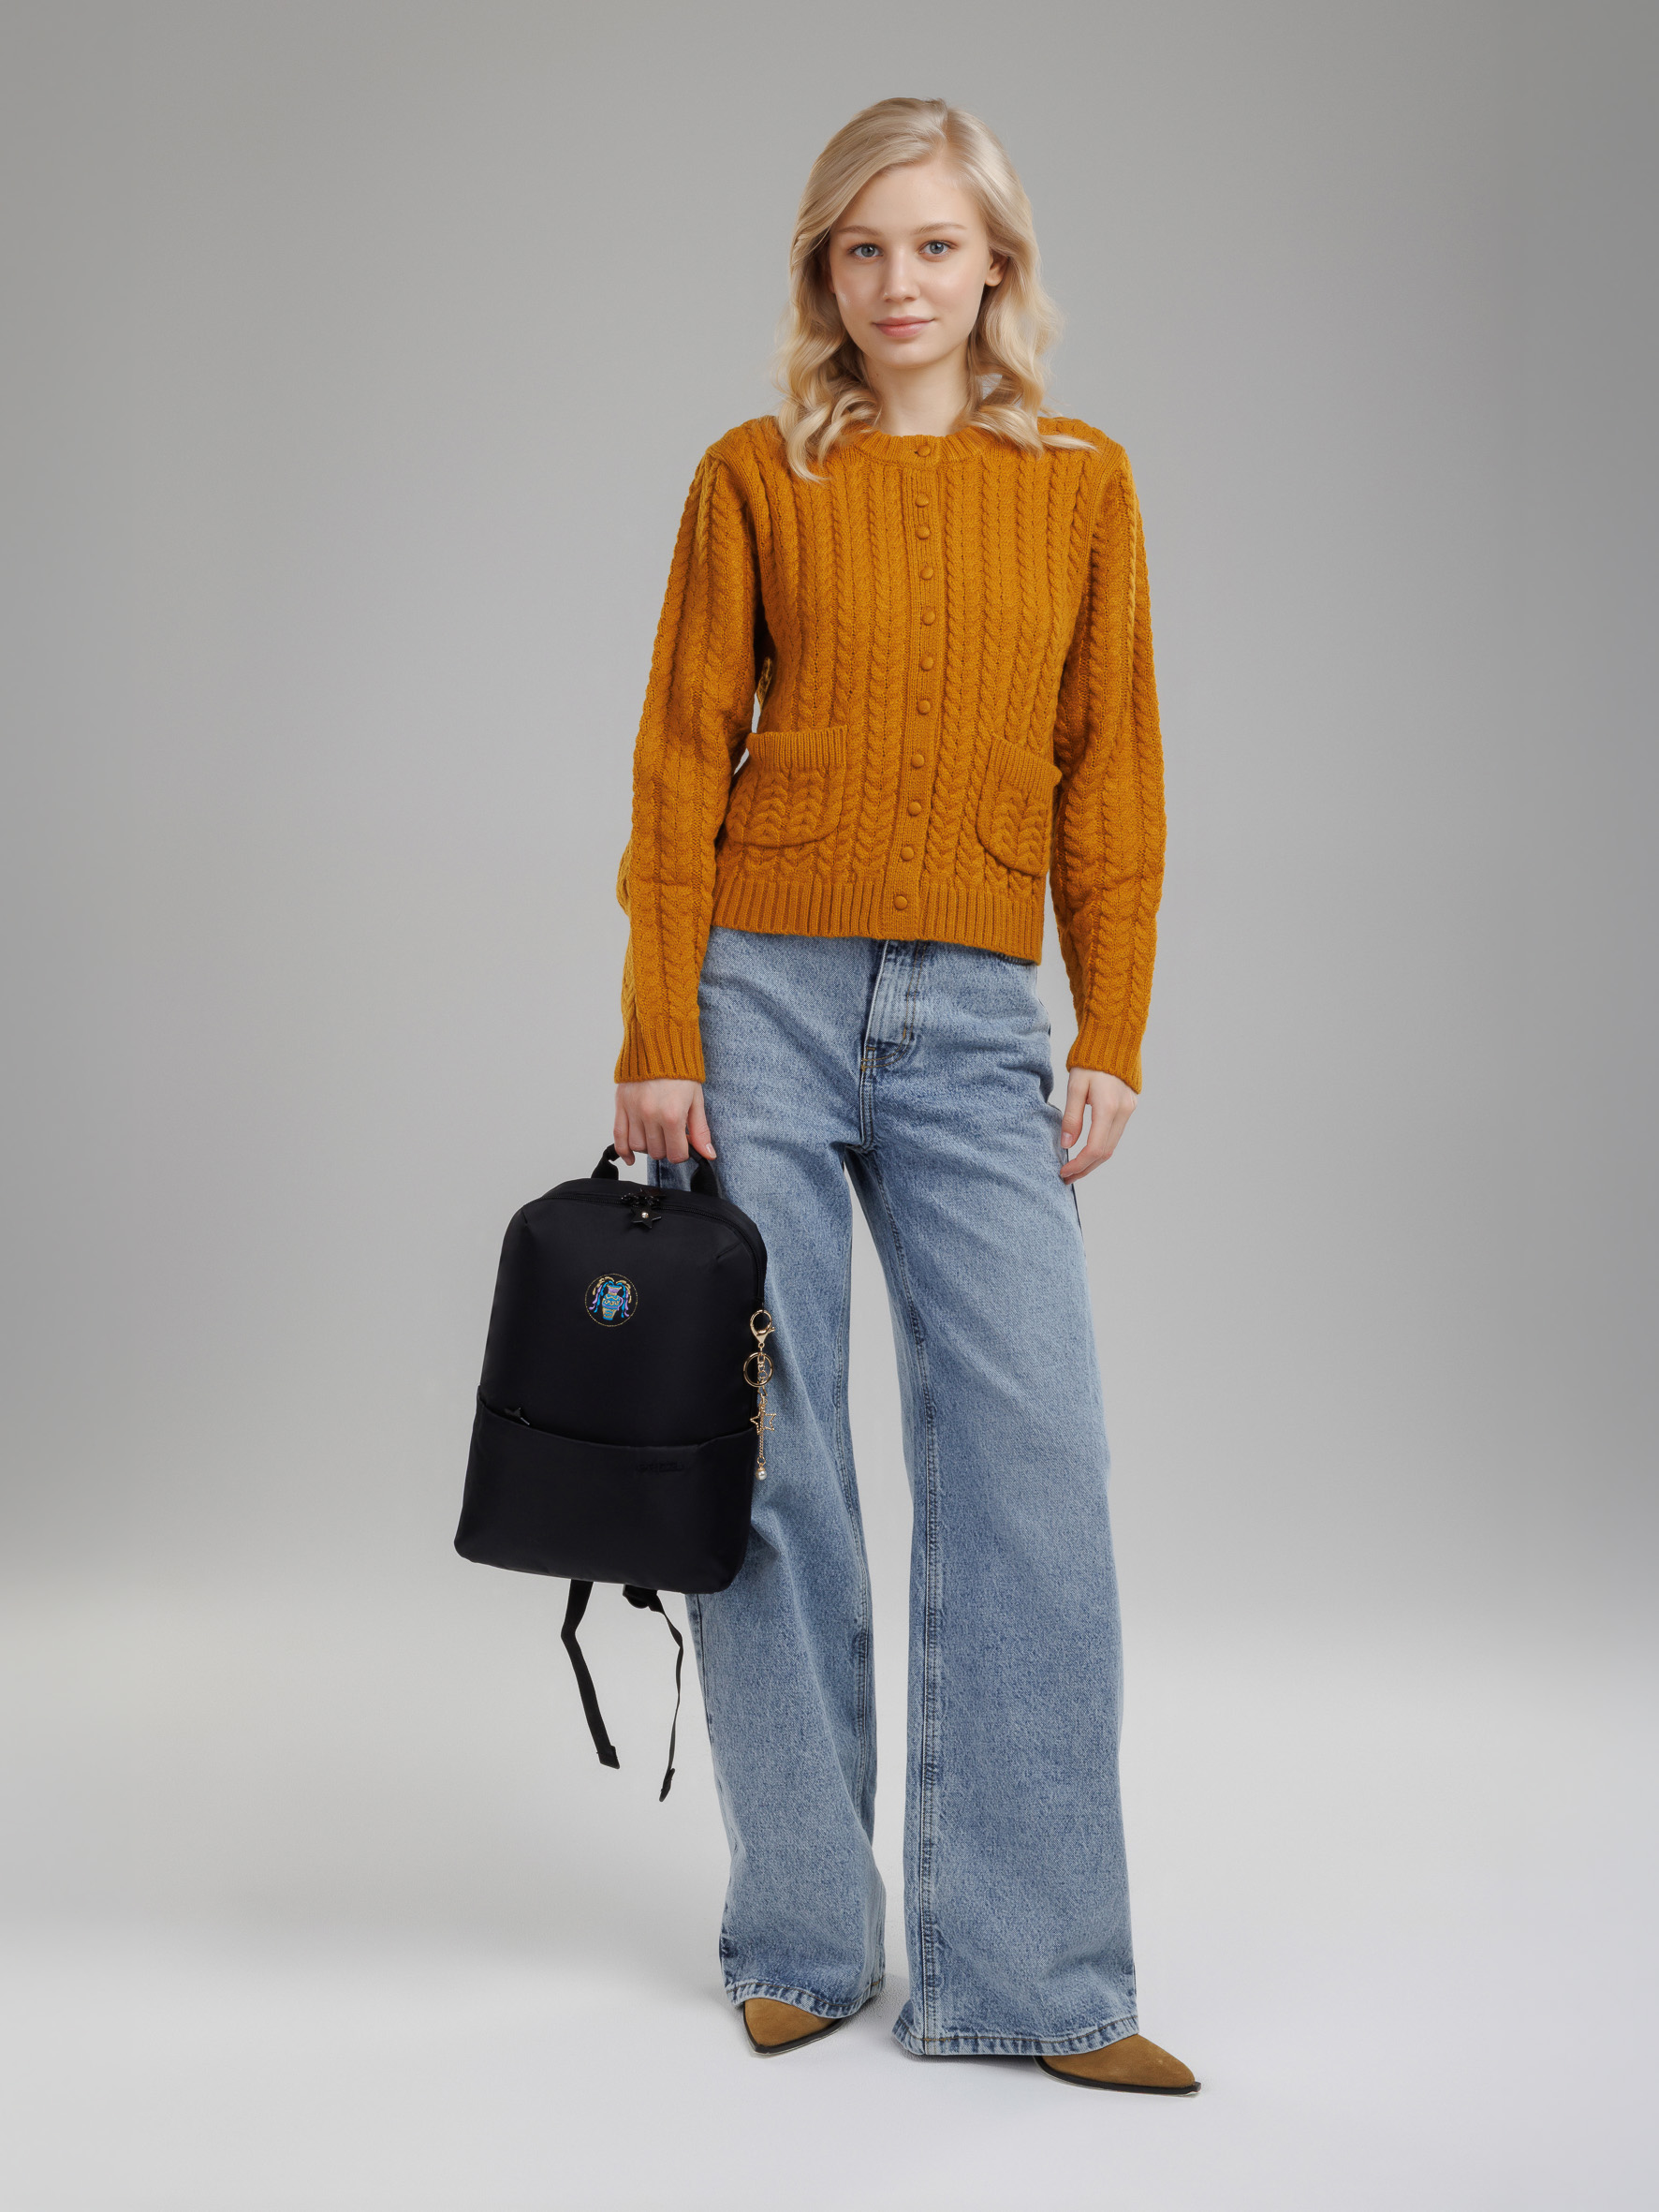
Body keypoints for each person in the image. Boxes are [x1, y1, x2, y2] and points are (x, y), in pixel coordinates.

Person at [609, 96, 1197, 2095]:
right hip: (757, 998)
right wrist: (658, 1028)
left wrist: (1108, 1025)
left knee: (1036, 1467)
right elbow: (678, 765)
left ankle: (1037, 1971)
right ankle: (800, 1930)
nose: (899, 283)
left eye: (935, 245)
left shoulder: (1085, 485)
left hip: (975, 1015)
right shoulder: (752, 475)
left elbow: (1111, 773)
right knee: (771, 1465)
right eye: (861, 249)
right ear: (823, 274)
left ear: (996, 266)